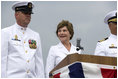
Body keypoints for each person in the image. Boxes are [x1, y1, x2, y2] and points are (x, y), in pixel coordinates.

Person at [1, 1, 44, 78]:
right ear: (16, 14)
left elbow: (39, 64)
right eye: (25, 13)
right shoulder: (5, 33)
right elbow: (2, 61)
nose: (28, 15)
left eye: (30, 13)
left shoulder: (35, 35)